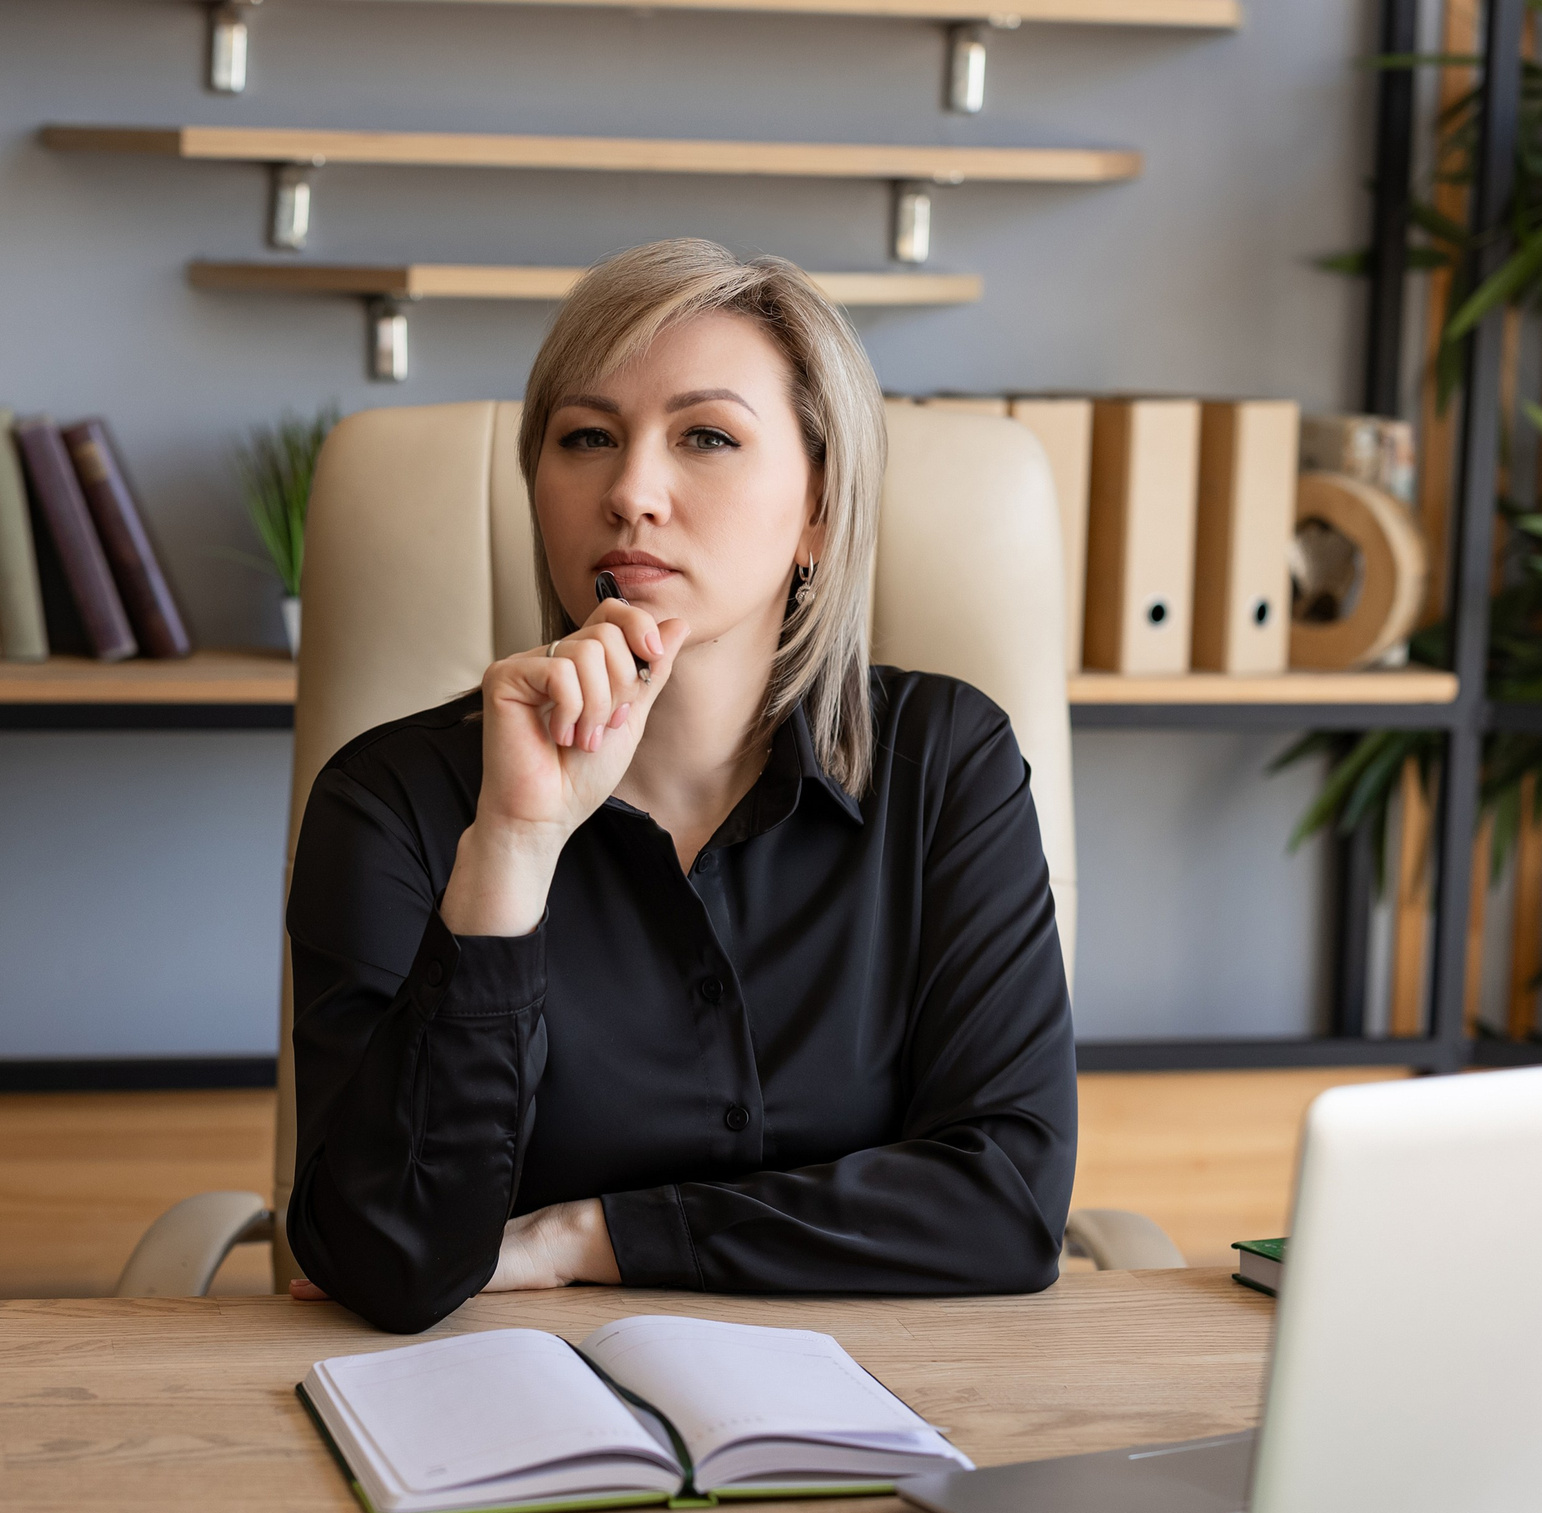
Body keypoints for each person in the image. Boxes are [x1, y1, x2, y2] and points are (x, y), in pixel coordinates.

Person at [284, 238, 1076, 1334]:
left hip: (895, 1394)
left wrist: (582, 1236)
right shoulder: (393, 802)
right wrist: (512, 847)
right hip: (503, 1400)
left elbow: (1006, 1203)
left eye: (705, 436)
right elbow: (389, 1262)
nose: (630, 493)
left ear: (820, 511)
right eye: (586, 439)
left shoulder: (942, 762)